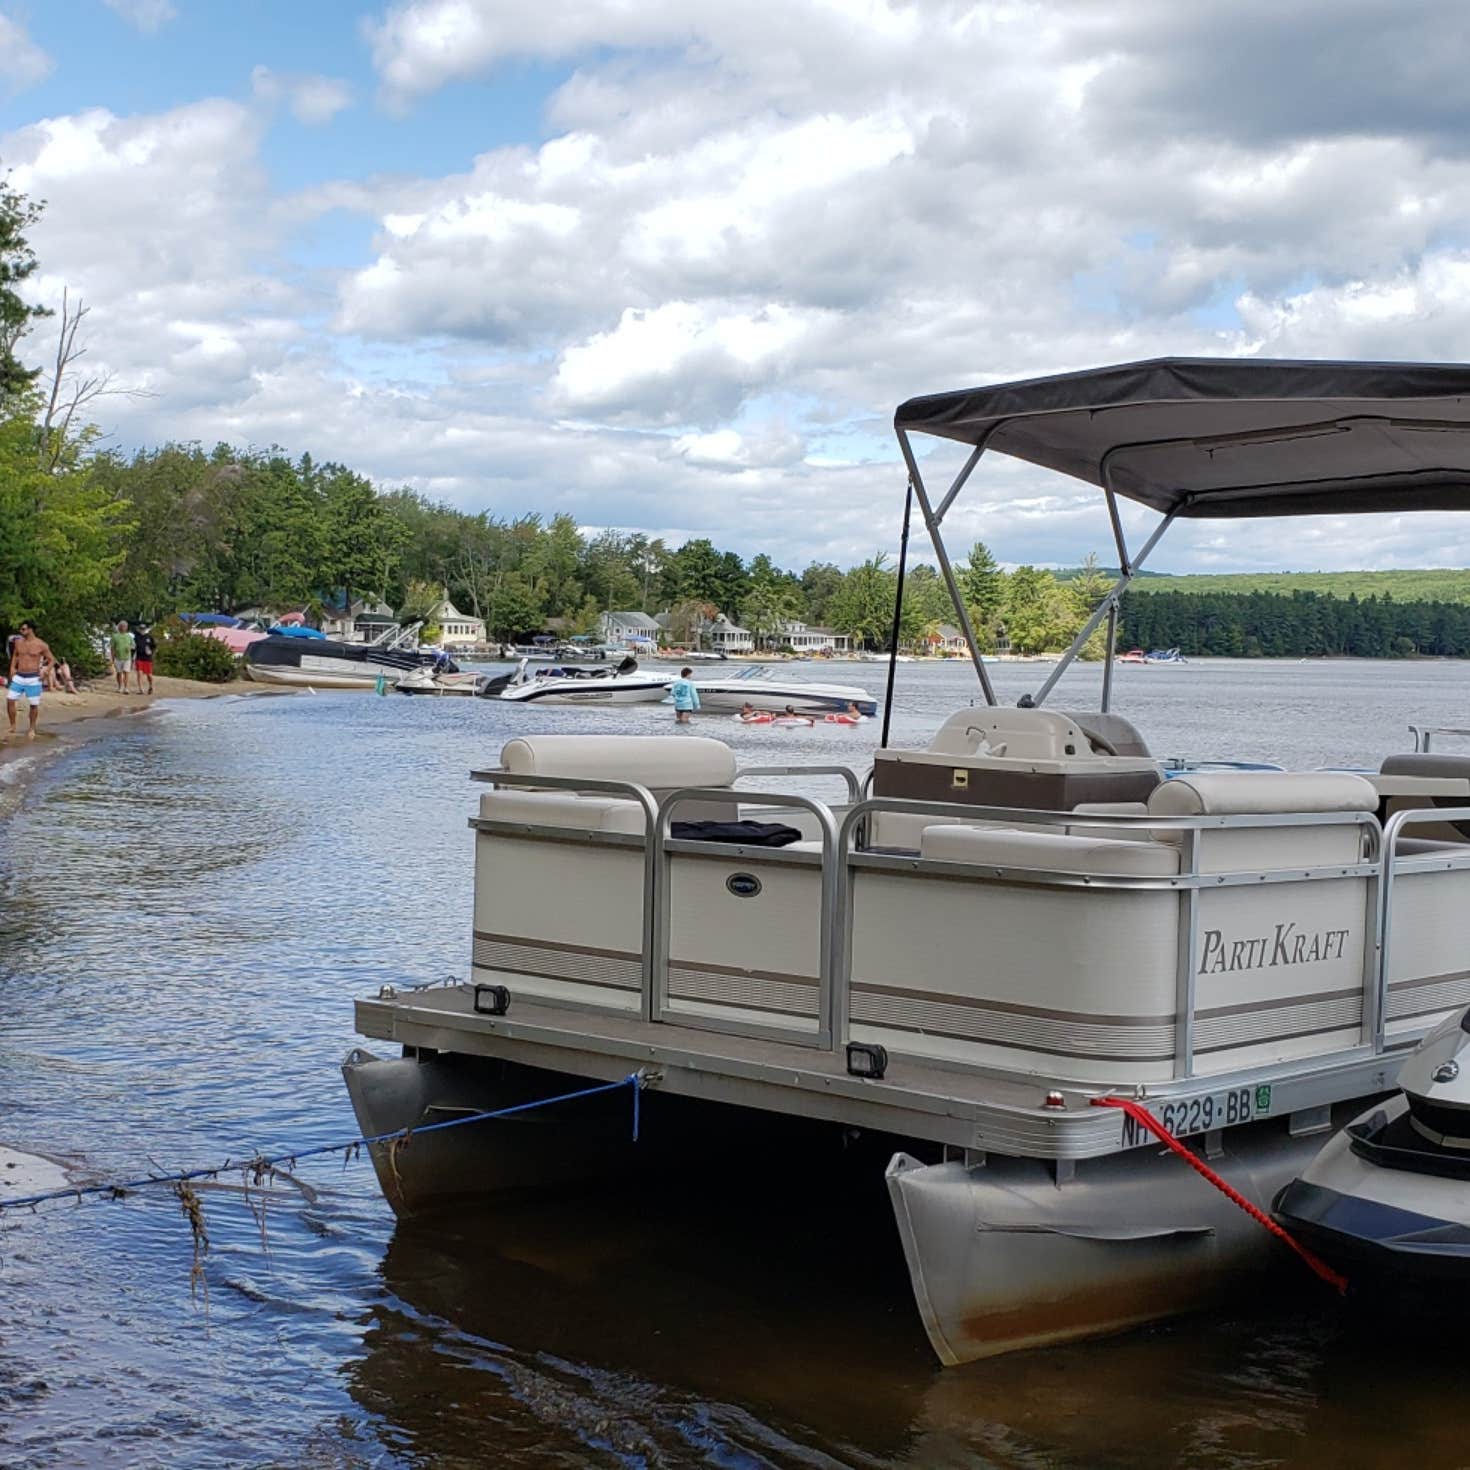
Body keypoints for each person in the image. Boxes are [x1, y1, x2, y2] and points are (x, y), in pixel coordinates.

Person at [7, 620, 54, 740]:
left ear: (30, 630)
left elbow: (51, 660)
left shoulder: (41, 644)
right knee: (10, 699)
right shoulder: (18, 642)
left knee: (33, 704)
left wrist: (46, 671)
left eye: (23, 629)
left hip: (34, 677)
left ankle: (32, 728)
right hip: (19, 675)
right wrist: (12, 667)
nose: (21, 631)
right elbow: (15, 656)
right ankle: (13, 725)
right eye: (21, 629)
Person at [110, 620, 134, 693]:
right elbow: (112, 648)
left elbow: (133, 645)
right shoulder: (115, 636)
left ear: (126, 628)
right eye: (122, 626)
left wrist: (130, 647)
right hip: (118, 657)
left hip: (127, 658)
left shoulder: (129, 636)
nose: (123, 627)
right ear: (119, 627)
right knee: (119, 673)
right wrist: (112, 658)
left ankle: (126, 688)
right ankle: (120, 687)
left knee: (126, 672)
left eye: (125, 626)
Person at [133, 623, 156, 695]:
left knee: (149, 675)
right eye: (141, 629)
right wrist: (131, 657)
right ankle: (140, 689)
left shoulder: (149, 637)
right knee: (139, 674)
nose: (142, 630)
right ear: (139, 629)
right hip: (139, 657)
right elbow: (133, 648)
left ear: (145, 629)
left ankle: (151, 686)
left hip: (147, 658)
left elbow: (154, 646)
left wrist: (151, 651)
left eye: (143, 629)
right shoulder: (136, 638)